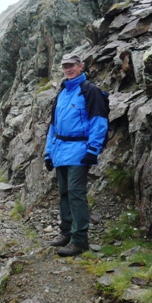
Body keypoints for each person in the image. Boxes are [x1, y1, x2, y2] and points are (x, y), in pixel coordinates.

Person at [44, 53, 108, 256]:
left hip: (79, 152)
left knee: (76, 194)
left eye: (72, 65)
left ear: (81, 66)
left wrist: (92, 150)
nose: (68, 69)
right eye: (65, 66)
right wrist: (48, 152)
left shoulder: (90, 91)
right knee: (64, 193)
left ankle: (80, 239)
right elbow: (53, 126)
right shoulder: (62, 93)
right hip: (61, 151)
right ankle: (66, 233)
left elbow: (99, 122)